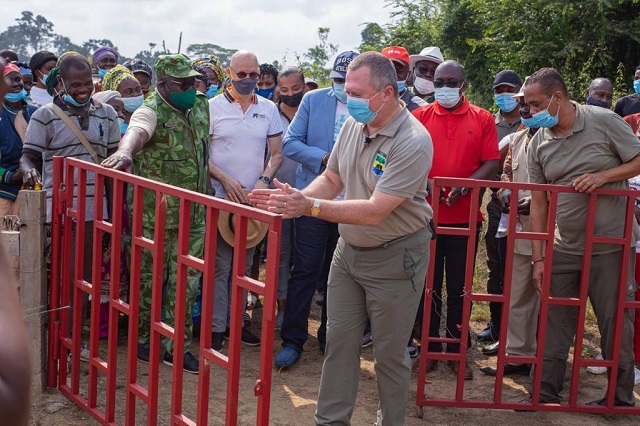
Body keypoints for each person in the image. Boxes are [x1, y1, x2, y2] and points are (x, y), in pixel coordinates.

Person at [250, 51, 433, 425]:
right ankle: (330, 421)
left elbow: (375, 210)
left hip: (396, 256)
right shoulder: (353, 123)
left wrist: (309, 206)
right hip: (349, 253)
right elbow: (332, 178)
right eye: (346, 89)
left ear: (386, 93)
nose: (347, 98)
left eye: (356, 91)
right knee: (338, 343)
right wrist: (296, 199)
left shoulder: (413, 139)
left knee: (389, 354)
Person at [525, 67, 640, 405]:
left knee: (615, 319)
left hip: (611, 245)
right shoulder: (538, 143)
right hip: (565, 245)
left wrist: (604, 176)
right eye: (528, 106)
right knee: (553, 319)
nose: (530, 112)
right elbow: (538, 203)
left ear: (557, 99)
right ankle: (543, 392)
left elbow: (638, 159)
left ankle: (618, 399)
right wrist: (539, 257)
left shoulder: (603, 121)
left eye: (536, 104)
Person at [101, 53, 208, 374]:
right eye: (183, 83)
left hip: (195, 213)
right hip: (154, 215)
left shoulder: (200, 105)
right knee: (150, 279)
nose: (191, 87)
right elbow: (138, 129)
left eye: (193, 81)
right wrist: (123, 150)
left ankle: (177, 346)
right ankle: (147, 340)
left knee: (186, 281)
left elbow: (202, 148)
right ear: (162, 83)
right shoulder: (151, 109)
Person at [412, 60, 499, 380]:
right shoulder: (418, 117)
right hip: (425, 217)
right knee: (428, 286)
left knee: (460, 288)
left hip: (466, 217)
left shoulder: (483, 118)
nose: (444, 88)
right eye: (439, 81)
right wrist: (426, 184)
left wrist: (467, 185)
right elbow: (405, 158)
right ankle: (430, 348)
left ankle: (457, 349)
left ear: (464, 85)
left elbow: (490, 162)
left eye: (451, 82)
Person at [272, 50, 358, 368]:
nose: (341, 87)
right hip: (313, 200)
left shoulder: (369, 105)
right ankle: (294, 340)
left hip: (352, 204)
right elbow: (291, 143)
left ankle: (329, 340)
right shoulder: (314, 100)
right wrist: (325, 159)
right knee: (305, 270)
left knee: (340, 275)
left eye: (347, 82)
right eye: (336, 80)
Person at [207, 50, 283, 351]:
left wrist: (263, 182)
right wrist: (225, 180)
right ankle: (215, 328)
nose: (248, 80)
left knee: (244, 265)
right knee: (219, 266)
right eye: (242, 75)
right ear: (229, 73)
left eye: (253, 75)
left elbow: (276, 153)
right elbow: (202, 155)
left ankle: (236, 325)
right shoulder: (211, 108)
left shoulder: (267, 109)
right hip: (219, 198)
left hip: (252, 202)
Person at [480, 84, 539, 377]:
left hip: (553, 231)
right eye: (523, 105)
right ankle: (517, 354)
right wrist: (503, 192)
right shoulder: (516, 139)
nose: (526, 109)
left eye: (530, 104)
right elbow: (505, 172)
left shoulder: (559, 139)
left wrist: (542, 202)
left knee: (545, 297)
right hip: (516, 227)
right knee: (517, 292)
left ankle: (543, 358)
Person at [478, 70, 523, 349]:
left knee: (523, 267)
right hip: (498, 204)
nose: (504, 96)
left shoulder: (532, 119)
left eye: (510, 90)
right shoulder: (487, 122)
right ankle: (496, 325)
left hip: (531, 205)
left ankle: (519, 332)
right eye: (499, 90)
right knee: (496, 264)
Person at [272, 66, 305, 329]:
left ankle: (298, 309)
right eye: (284, 90)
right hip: (278, 193)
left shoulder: (311, 112)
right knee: (280, 254)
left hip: (309, 193)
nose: (290, 94)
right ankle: (281, 306)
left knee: (304, 255)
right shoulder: (271, 114)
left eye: (295, 89)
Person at [1, 63, 37, 215]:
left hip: (33, 190)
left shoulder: (35, 112)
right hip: (4, 193)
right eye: (9, 80)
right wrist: (9, 176)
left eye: (18, 79)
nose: (16, 84)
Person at [381, 46, 426, 112]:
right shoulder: (365, 102)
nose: (392, 75)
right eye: (387, 70)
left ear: (408, 75)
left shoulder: (421, 109)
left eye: (398, 71)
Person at [102, 65, 144, 129]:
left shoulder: (146, 119)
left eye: (138, 90)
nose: (135, 94)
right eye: (128, 92)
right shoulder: (109, 126)